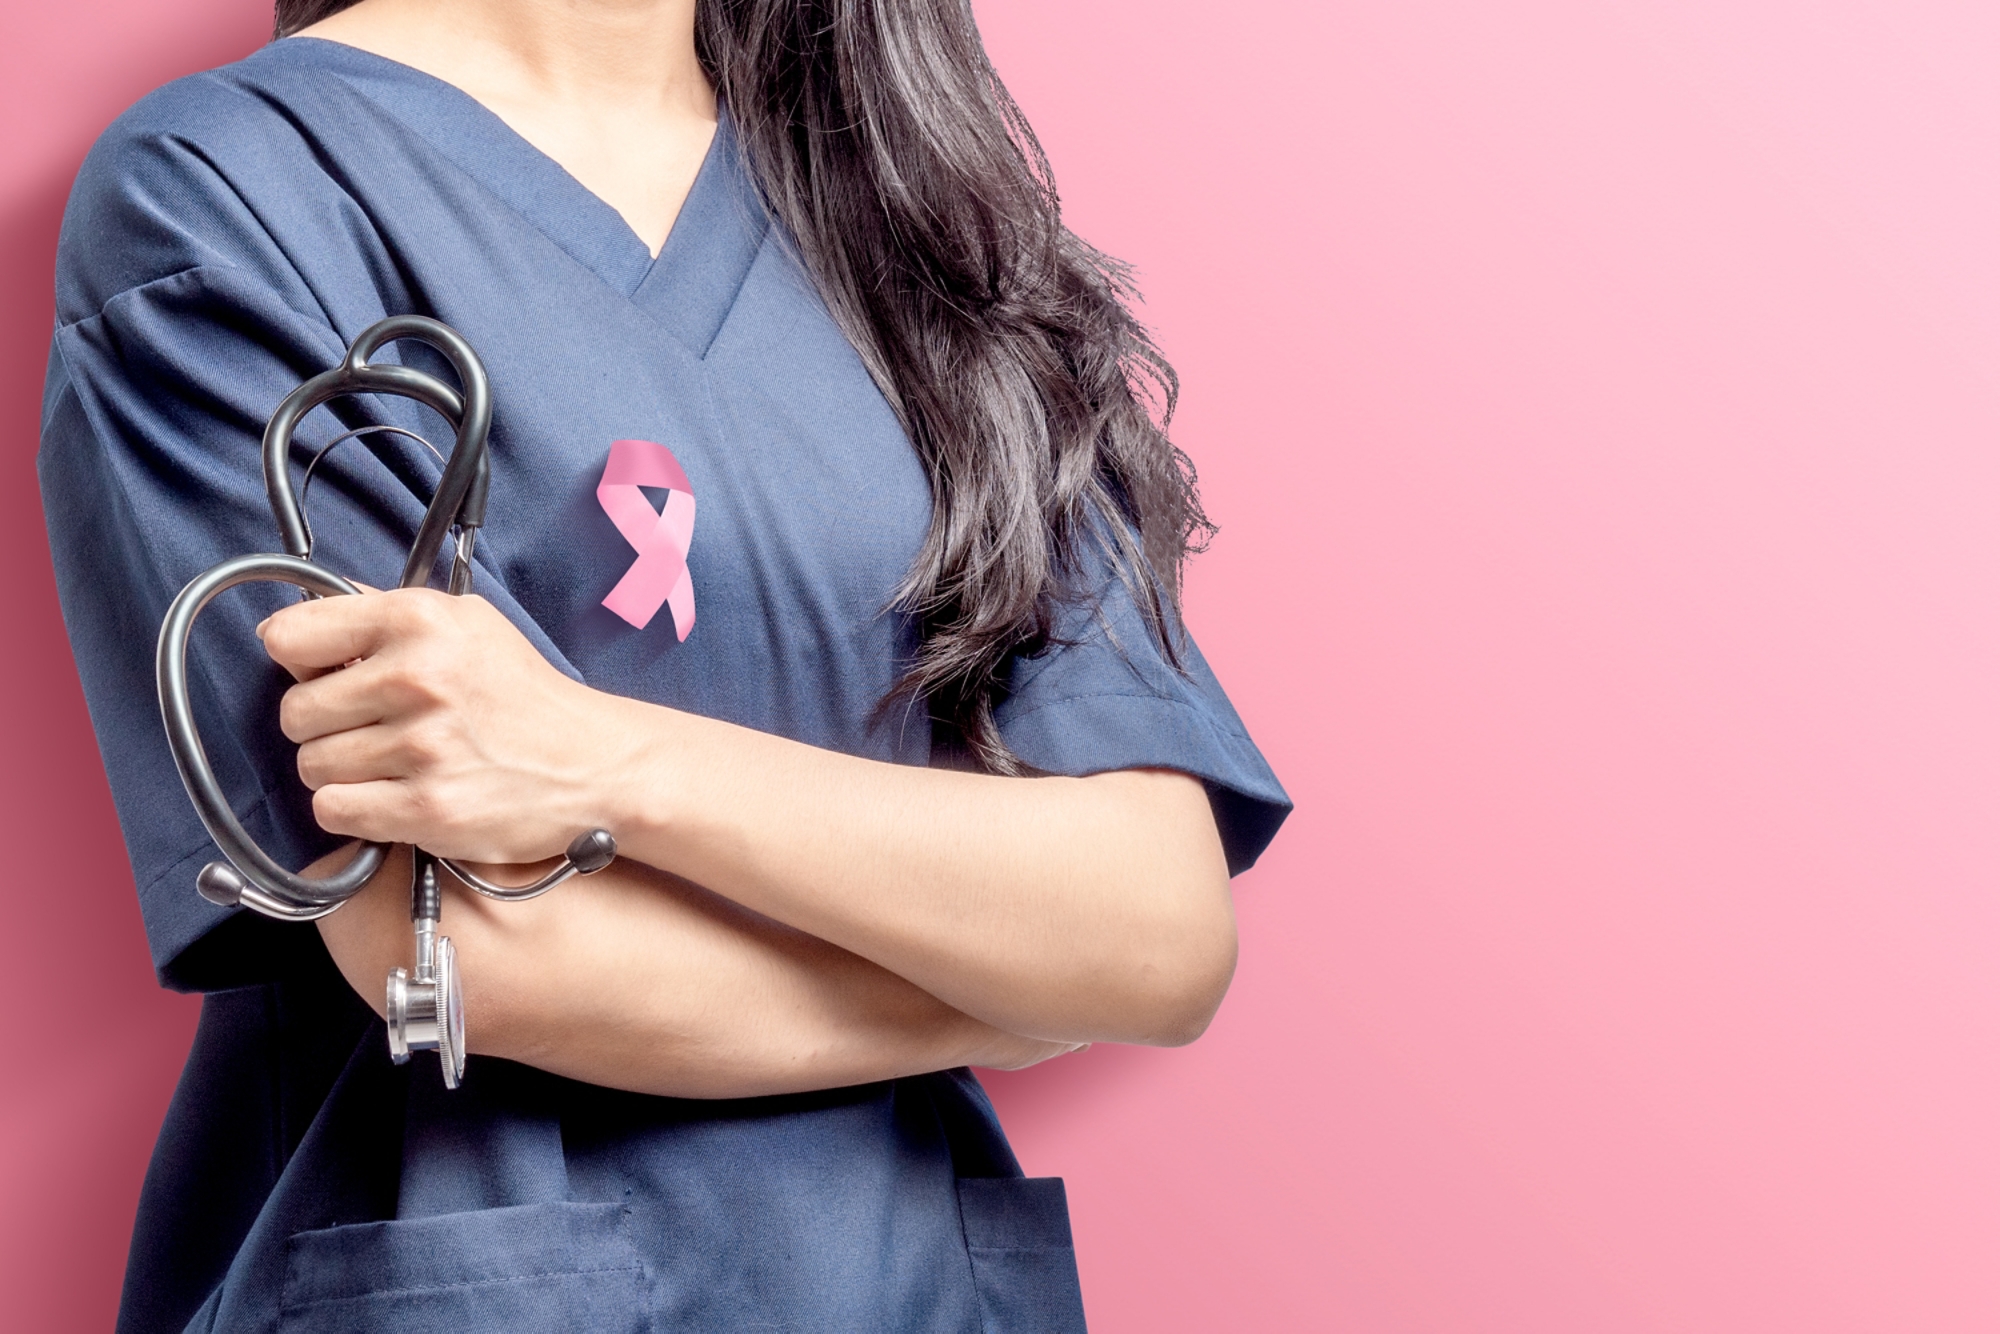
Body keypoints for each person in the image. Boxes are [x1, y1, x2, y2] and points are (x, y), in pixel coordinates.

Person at [38, 0, 1290, 1327]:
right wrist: (1003, 993)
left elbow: (1159, 929)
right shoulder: (227, 189)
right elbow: (474, 955)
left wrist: (608, 761)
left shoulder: (916, 216)